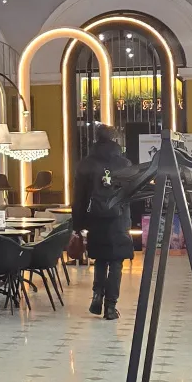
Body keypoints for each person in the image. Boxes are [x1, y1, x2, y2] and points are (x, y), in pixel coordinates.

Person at [73, 125, 138, 319]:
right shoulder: (125, 164)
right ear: (115, 139)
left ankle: (97, 295)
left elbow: (79, 198)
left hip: (96, 219)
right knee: (116, 262)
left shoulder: (86, 164)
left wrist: (78, 225)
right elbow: (131, 194)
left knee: (101, 260)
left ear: (96, 139)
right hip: (119, 219)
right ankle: (110, 306)